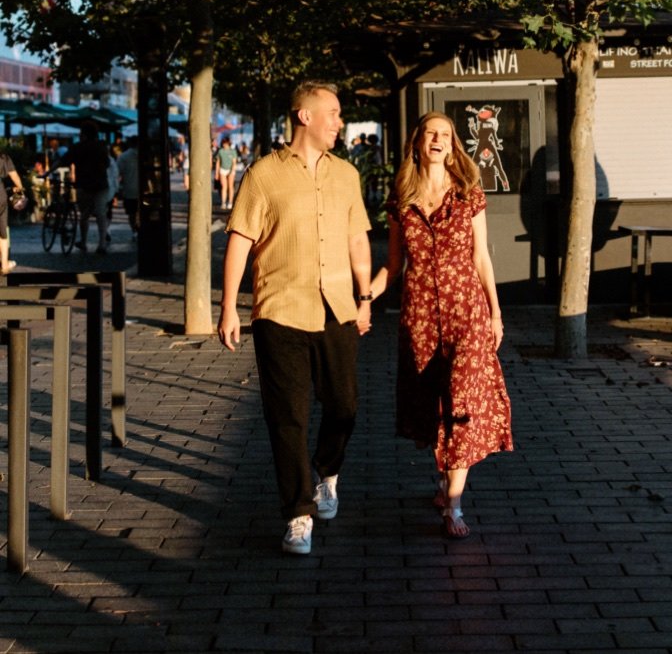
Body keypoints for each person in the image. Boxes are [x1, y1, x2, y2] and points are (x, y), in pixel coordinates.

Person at [217, 81, 375, 556]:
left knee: (344, 405)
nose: (339, 122)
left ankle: (328, 473)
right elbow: (241, 240)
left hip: (337, 309)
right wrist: (228, 307)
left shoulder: (346, 175)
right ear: (304, 116)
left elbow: (358, 241)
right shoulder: (262, 175)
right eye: (333, 112)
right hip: (280, 309)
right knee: (287, 418)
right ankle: (298, 513)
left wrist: (364, 297)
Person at [370, 112, 512, 539]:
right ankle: (443, 484)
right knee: (432, 404)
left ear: (453, 144)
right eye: (431, 133)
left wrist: (496, 312)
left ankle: (454, 503)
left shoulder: (468, 192)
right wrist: (361, 298)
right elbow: (394, 265)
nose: (438, 140)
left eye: (445, 135)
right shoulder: (401, 198)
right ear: (417, 142)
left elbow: (481, 257)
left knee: (463, 398)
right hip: (419, 317)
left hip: (467, 310)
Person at [70, 124, 115, 254]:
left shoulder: (78, 147)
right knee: (101, 214)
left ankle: (83, 242)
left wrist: (46, 173)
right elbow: (107, 164)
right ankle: (102, 245)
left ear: (83, 134)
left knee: (84, 215)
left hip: (84, 185)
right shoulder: (101, 147)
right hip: (100, 185)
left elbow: (63, 160)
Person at [0, 148, 23, 272]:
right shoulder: (4, 157)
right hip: (0, 195)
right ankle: (4, 265)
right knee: (2, 232)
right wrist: (20, 188)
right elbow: (14, 175)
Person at [114, 138, 140, 239]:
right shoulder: (147, 154)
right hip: (146, 190)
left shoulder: (123, 157)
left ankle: (134, 230)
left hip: (129, 189)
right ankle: (139, 228)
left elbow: (117, 173)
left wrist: (118, 189)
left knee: (131, 213)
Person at [215, 136, 238, 210]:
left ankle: (230, 202)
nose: (224, 144)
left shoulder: (233, 151)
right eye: (223, 143)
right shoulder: (220, 151)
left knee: (230, 186)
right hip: (222, 170)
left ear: (228, 143)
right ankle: (223, 202)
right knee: (224, 186)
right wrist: (217, 173)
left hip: (230, 170)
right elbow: (218, 162)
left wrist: (232, 171)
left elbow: (234, 162)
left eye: (226, 143)